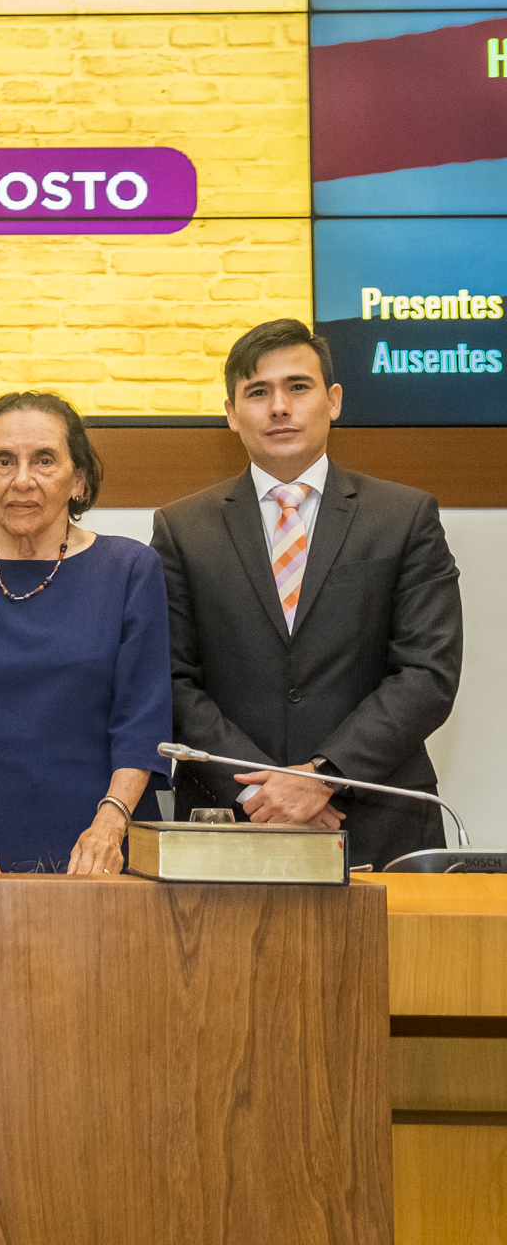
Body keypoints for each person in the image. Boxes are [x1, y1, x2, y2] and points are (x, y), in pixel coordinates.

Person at [152, 319, 462, 871]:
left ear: (333, 400)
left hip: (376, 819)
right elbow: (170, 681)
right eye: (257, 392)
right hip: (228, 819)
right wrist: (267, 792)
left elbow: (427, 673)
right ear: (230, 413)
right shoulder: (181, 527)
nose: (279, 407)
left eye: (298, 386)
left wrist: (322, 778)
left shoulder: (405, 517)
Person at [0, 392, 171, 874]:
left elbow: (142, 720)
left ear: (79, 479)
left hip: (103, 846)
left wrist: (110, 825)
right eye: (3, 461)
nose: (22, 480)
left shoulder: (131, 568)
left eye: (44, 460)